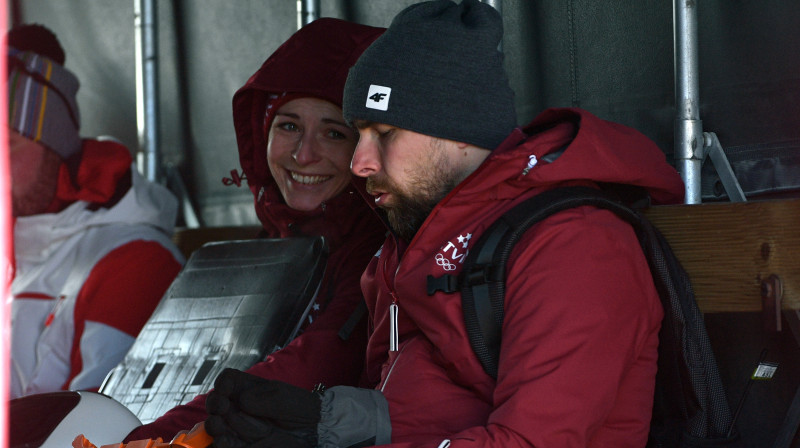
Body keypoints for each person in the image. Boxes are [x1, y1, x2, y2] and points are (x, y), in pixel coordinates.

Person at [201, 1, 687, 447]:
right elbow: (430, 407)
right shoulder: (411, 238)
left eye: (384, 133)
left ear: (458, 134)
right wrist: (324, 421)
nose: (360, 162)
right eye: (359, 133)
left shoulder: (574, 245)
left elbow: (533, 441)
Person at [124, 18, 386, 441]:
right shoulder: (263, 250)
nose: (304, 154)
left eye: (334, 133)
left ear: (370, 149)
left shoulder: (377, 255)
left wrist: (140, 439)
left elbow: (314, 362)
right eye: (288, 126)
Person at [8, 24, 185, 398]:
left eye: (9, 145)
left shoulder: (135, 259)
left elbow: (102, 424)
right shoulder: (13, 251)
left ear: (55, 147)